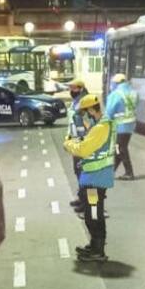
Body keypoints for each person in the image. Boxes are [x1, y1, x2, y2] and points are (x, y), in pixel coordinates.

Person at [62, 93, 114, 262]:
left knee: (93, 214)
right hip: (98, 177)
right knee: (93, 213)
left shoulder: (100, 128)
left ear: (92, 109)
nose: (84, 116)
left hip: (94, 180)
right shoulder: (104, 124)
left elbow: (83, 150)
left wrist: (68, 144)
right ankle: (94, 245)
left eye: (85, 112)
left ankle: (97, 250)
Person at [105, 73, 137, 180]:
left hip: (120, 125)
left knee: (121, 148)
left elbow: (109, 111)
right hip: (130, 124)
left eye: (112, 83)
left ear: (116, 83)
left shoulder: (115, 94)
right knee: (118, 147)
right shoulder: (133, 92)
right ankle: (111, 171)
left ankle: (129, 173)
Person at [65, 79, 89, 215]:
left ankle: (87, 204)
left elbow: (87, 124)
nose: (71, 91)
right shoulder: (77, 101)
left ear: (80, 88)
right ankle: (81, 198)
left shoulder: (85, 102)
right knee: (78, 171)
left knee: (84, 173)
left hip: (82, 142)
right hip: (75, 141)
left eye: (73, 88)